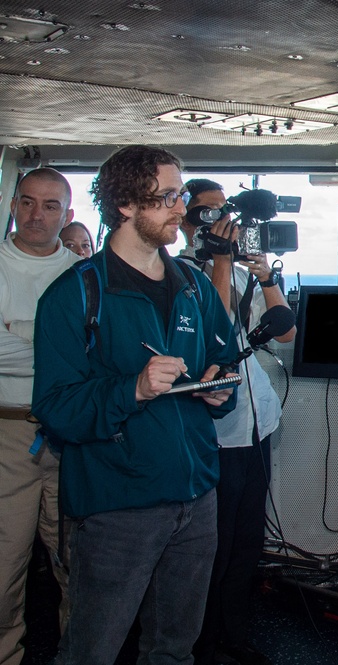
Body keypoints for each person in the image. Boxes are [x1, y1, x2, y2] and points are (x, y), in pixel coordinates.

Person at [30, 146, 239, 665]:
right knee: (91, 652)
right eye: (168, 197)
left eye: (181, 195)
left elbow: (223, 357)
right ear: (125, 205)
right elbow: (55, 407)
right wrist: (133, 390)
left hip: (196, 496)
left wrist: (219, 386)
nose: (180, 209)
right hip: (117, 504)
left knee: (174, 650)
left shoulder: (192, 285)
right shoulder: (74, 294)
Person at [177, 178, 296, 665]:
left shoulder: (244, 274)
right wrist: (222, 262)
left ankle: (236, 633)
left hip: (256, 425)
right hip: (215, 435)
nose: (221, 223)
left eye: (223, 212)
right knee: (213, 547)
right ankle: (201, 643)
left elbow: (286, 335)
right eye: (207, 215)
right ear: (188, 225)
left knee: (247, 542)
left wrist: (265, 276)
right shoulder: (182, 274)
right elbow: (218, 335)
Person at [0, 168, 79, 665]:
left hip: (73, 436)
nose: (36, 214)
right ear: (12, 206)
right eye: (27, 202)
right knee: (5, 563)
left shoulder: (81, 273)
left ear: (68, 216)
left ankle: (80, 653)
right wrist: (56, 345)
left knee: (78, 561)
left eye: (50, 206)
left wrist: (19, 331)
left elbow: (100, 355)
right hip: (9, 431)